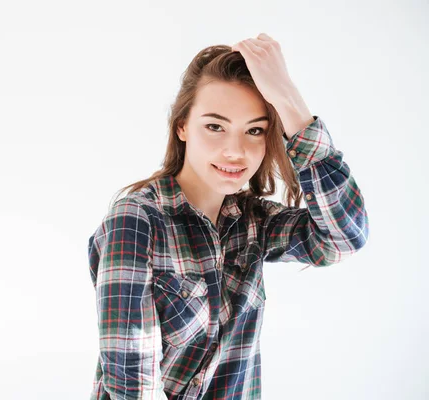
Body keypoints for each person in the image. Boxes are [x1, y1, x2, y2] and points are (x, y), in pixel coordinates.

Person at [86, 33, 369, 400]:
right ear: (182, 126)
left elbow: (344, 237)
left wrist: (289, 98)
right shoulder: (136, 221)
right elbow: (132, 385)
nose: (235, 151)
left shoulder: (253, 224)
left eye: (254, 130)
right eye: (215, 126)